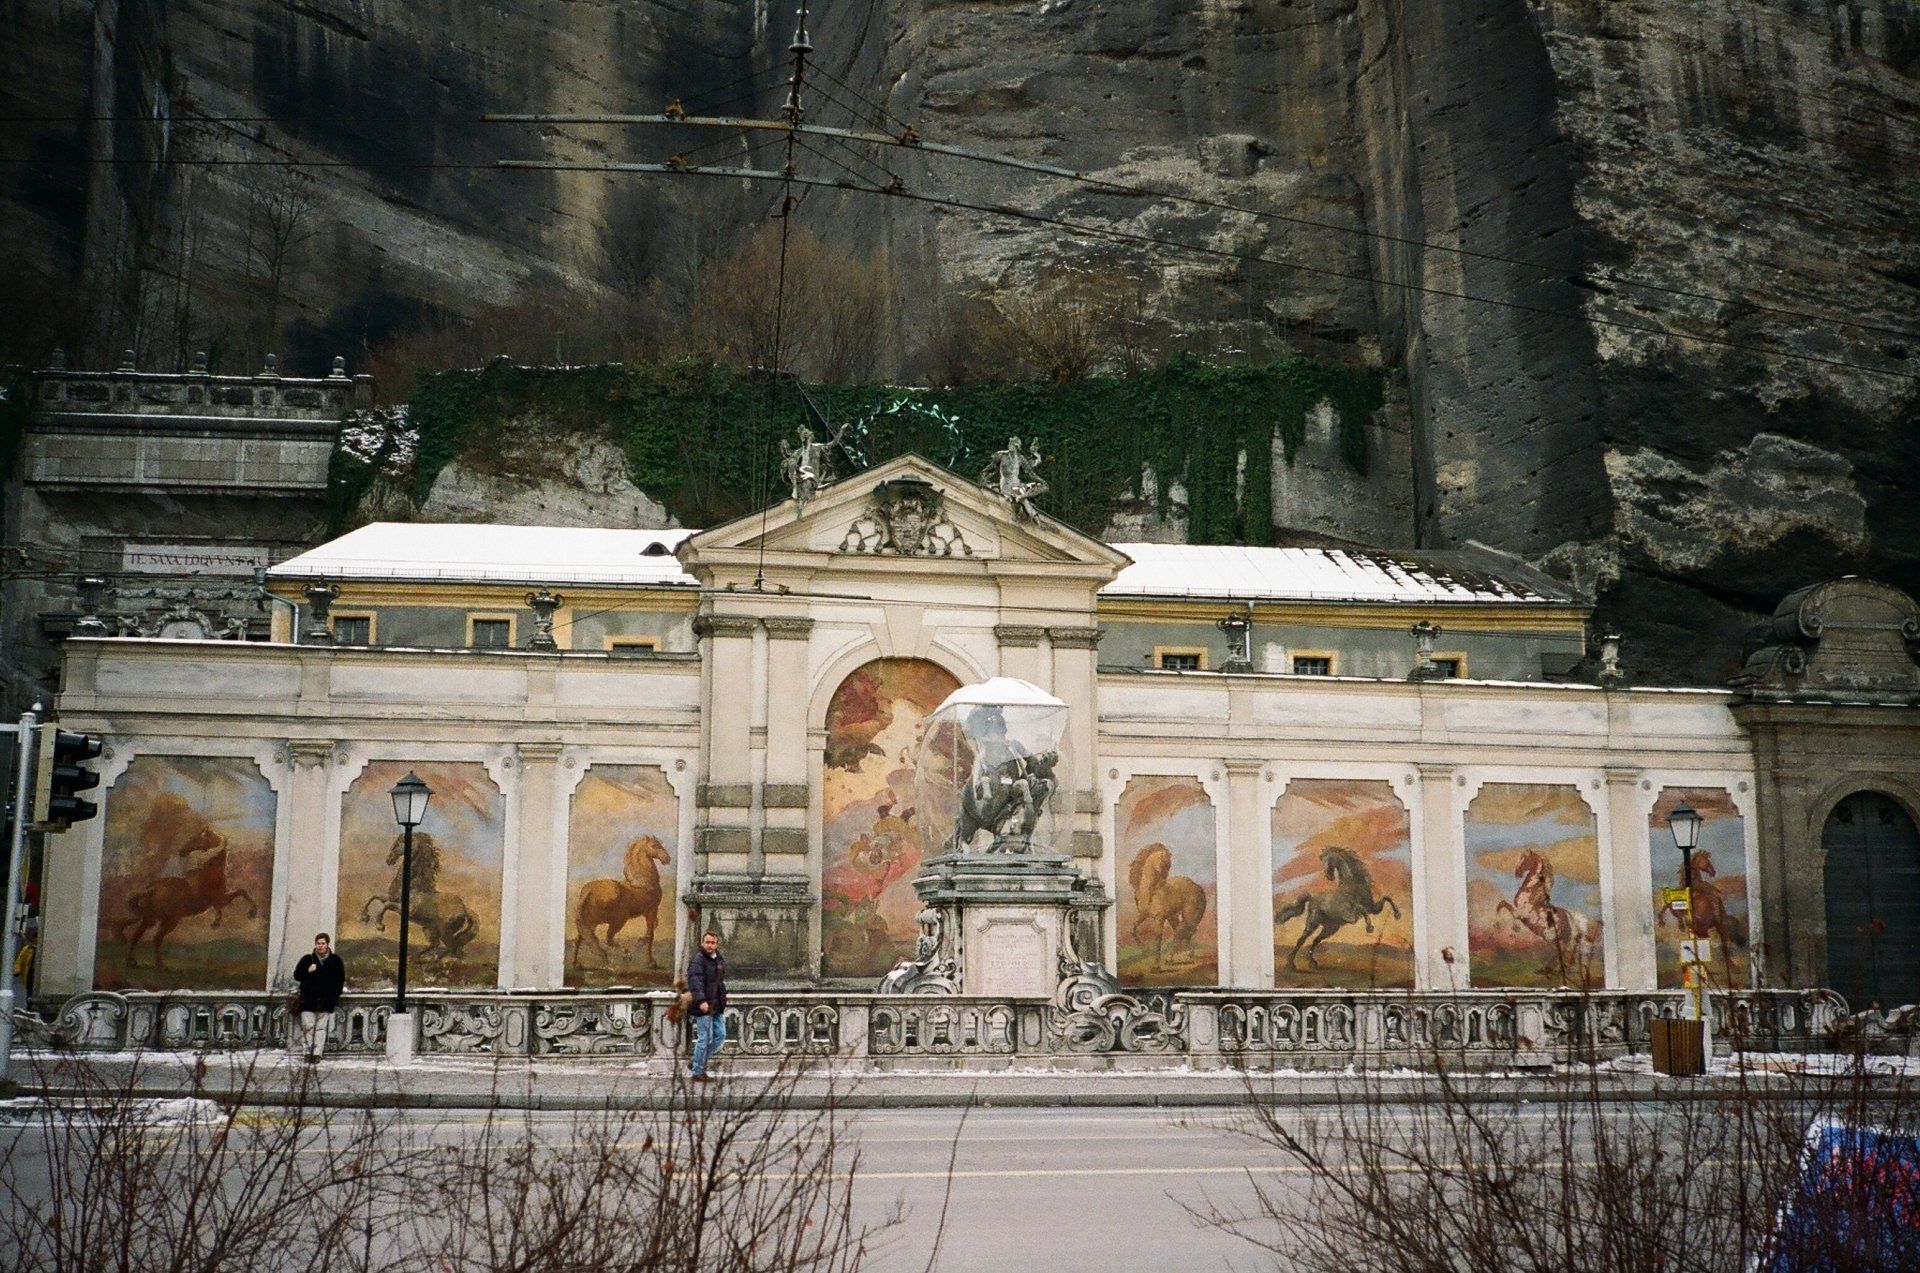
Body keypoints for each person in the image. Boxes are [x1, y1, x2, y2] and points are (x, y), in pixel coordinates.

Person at [291, 932, 346, 1062]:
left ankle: (317, 1054)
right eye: (318, 943)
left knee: (321, 1028)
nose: (320, 946)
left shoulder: (335, 960)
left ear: (327, 944)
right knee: (307, 1026)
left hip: (325, 1000)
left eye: (323, 943)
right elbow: (297, 975)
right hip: (308, 999)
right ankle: (307, 1052)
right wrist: (308, 971)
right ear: (315, 944)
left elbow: (340, 980)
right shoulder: (307, 959)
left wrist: (333, 997)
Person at [685, 930, 727, 1082]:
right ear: (702, 943)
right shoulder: (698, 960)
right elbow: (695, 982)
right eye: (707, 942)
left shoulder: (718, 958)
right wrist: (701, 1001)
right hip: (703, 1005)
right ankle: (697, 1071)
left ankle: (697, 1060)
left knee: (720, 1035)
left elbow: (719, 982)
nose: (710, 945)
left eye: (713, 943)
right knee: (705, 1038)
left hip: (716, 1005)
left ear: (717, 944)